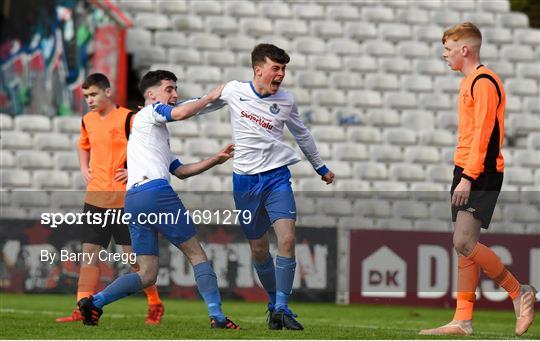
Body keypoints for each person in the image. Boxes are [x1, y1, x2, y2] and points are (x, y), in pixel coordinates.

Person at [77, 70, 240, 329]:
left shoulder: (151, 131)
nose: (175, 94)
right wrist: (211, 96)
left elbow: (181, 171)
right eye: (169, 89)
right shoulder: (152, 112)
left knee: (146, 273)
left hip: (134, 200)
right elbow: (183, 112)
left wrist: (215, 159)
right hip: (157, 194)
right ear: (151, 95)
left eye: (176, 89)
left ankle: (95, 302)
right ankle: (217, 316)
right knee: (197, 255)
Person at [419, 22, 536, 337]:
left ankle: (518, 290)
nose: (444, 55)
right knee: (463, 246)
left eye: (447, 49)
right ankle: (462, 320)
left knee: (463, 241)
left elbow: (485, 135)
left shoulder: (483, 82)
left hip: (481, 172)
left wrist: (468, 177)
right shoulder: (470, 81)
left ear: (464, 49)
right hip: (467, 169)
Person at [211, 44, 335, 330]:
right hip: (244, 182)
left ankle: (281, 305)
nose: (281, 74)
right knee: (258, 250)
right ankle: (273, 304)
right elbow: (203, 104)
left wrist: (320, 167)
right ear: (258, 69)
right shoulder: (234, 91)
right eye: (276, 68)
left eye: (283, 69)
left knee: (287, 239)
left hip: (277, 178)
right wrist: (165, 112)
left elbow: (302, 134)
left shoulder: (287, 100)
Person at [56, 73, 165, 325]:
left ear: (107, 92)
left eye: (93, 94)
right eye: (85, 96)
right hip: (95, 196)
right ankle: (81, 307)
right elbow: (83, 145)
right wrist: (84, 167)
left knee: (133, 260)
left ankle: (154, 303)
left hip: (125, 200)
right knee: (89, 255)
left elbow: (148, 147)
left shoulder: (128, 118)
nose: (89, 100)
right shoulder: (87, 120)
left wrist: (132, 170)